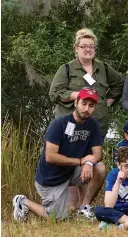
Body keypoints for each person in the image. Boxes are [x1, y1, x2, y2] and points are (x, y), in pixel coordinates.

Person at [13, 88, 106, 221]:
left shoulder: (93, 125)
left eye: (91, 105)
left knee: (100, 168)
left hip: (71, 172)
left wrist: (89, 162)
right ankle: (22, 201)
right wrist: (81, 161)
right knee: (57, 219)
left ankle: (84, 208)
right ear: (76, 102)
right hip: (51, 179)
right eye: (84, 103)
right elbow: (50, 156)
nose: (87, 109)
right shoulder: (59, 124)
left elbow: (98, 154)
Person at [49, 28, 124, 138]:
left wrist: (108, 100)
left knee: (94, 155)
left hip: (97, 126)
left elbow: (120, 82)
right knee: (69, 153)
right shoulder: (66, 69)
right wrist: (75, 95)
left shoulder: (104, 68)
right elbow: (54, 93)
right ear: (76, 48)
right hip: (71, 126)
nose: (88, 49)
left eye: (91, 46)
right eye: (83, 46)